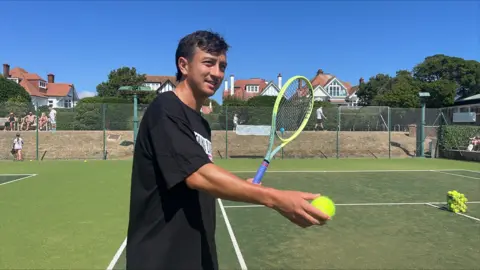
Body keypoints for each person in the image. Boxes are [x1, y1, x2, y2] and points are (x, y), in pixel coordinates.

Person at [126, 30, 330, 270]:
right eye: (208, 63)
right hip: (161, 258)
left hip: (196, 255)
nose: (217, 73)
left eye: (222, 66)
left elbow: (198, 176)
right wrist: (275, 198)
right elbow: (198, 174)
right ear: (184, 65)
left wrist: (242, 187)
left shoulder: (200, 123)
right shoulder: (166, 109)